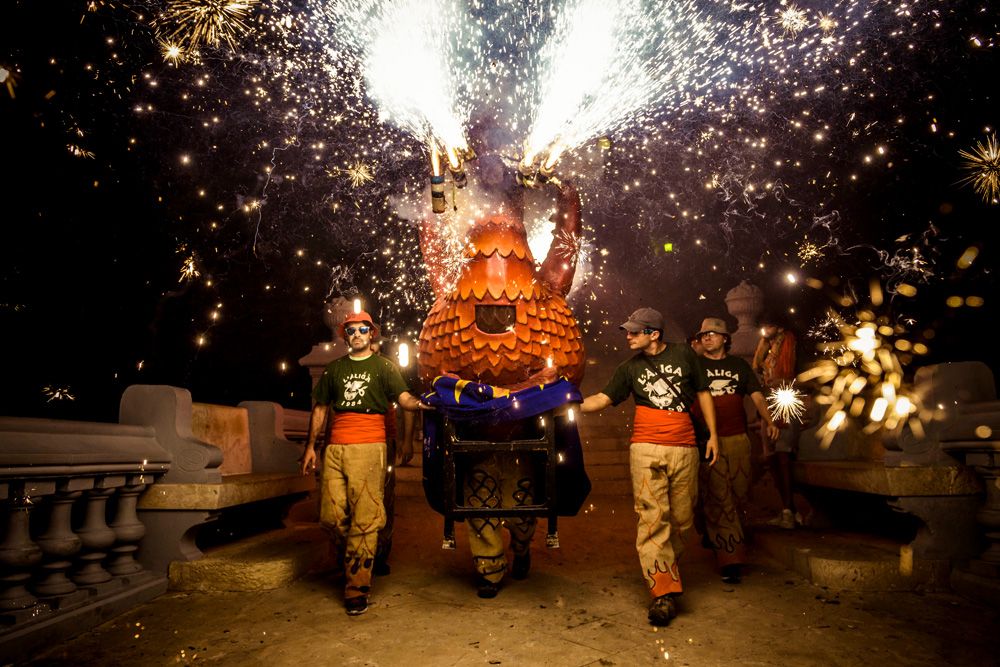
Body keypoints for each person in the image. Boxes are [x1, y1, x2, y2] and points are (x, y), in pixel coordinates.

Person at [579, 307, 719, 627]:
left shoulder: (685, 354)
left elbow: (703, 393)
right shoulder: (629, 368)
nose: (628, 335)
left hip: (685, 448)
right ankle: (662, 594)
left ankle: (664, 568)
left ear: (654, 334)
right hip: (645, 449)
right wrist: (569, 404)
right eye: (627, 330)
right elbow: (602, 399)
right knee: (652, 519)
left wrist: (712, 436)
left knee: (682, 519)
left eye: (634, 331)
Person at [301, 310, 426, 616]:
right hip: (334, 448)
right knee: (330, 516)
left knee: (366, 517)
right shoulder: (334, 370)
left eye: (362, 330)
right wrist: (310, 447)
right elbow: (320, 409)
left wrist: (425, 402)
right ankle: (355, 554)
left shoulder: (384, 367)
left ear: (372, 334)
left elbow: (404, 399)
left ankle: (357, 588)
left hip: (370, 446)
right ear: (346, 336)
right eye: (352, 331)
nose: (356, 335)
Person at [692, 316, 779, 584]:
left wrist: (769, 419)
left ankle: (710, 527)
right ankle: (731, 560)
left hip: (739, 439)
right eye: (703, 334)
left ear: (725, 339)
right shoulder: (695, 366)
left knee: (739, 493)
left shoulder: (738, 366)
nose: (707, 337)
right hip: (709, 441)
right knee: (720, 498)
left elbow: (755, 395)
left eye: (712, 334)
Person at [751, 310, 801, 530]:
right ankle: (787, 509)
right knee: (770, 457)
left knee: (783, 454)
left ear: (779, 327)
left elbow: (790, 375)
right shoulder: (766, 349)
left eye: (769, 325)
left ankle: (789, 511)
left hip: (786, 400)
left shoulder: (789, 344)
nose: (765, 329)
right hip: (769, 403)